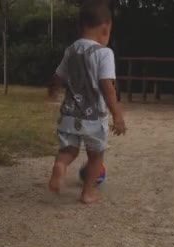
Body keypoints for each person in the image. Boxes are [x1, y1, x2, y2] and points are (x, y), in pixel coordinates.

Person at [47, 0, 126, 204]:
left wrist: (52, 91)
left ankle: (61, 166)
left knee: (68, 151)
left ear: (80, 26)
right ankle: (87, 193)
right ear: (105, 28)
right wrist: (117, 114)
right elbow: (107, 87)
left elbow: (58, 76)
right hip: (93, 119)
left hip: (69, 116)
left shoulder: (71, 50)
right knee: (95, 156)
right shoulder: (104, 53)